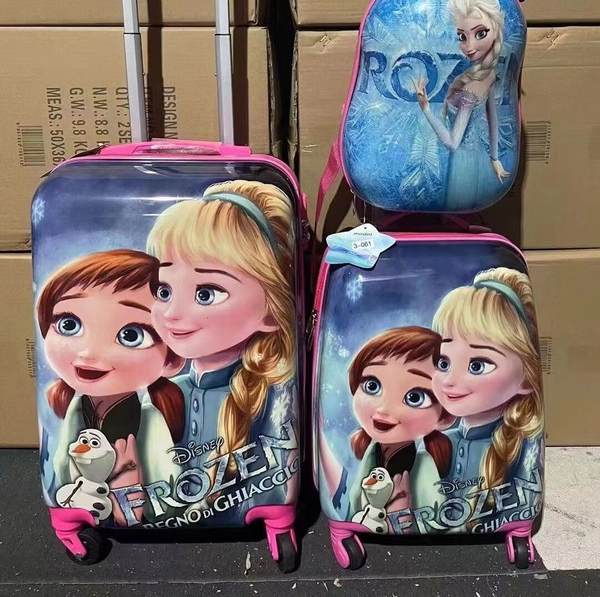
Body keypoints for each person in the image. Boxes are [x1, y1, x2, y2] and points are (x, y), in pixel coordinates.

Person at [146, 180, 299, 513]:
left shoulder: (272, 395)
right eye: (163, 291)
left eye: (206, 293)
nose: (172, 313)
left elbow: (273, 488)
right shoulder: (168, 392)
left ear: (271, 310)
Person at [37, 249, 185, 523]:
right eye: (69, 325)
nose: (88, 353)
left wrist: (127, 483)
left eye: (131, 335)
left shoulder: (149, 420)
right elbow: (59, 476)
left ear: (171, 359)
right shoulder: (75, 409)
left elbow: (169, 500)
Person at [318, 326, 455, 529]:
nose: (383, 408)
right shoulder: (372, 452)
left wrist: (401, 516)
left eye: (415, 397)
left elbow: (438, 523)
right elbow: (352, 506)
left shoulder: (423, 466)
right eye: (372, 386)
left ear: (445, 416)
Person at [431, 266, 544, 493]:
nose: (450, 380)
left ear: (526, 378)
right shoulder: (440, 444)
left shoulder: (522, 446)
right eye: (443, 362)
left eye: (477, 366)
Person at [414, 0, 509, 210]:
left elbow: (452, 143)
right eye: (462, 36)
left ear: (496, 28)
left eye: (480, 34)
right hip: (479, 160)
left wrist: (426, 109)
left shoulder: (471, 90)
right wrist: (494, 158)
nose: (470, 47)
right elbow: (493, 119)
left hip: (463, 164)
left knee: (453, 212)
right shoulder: (487, 75)